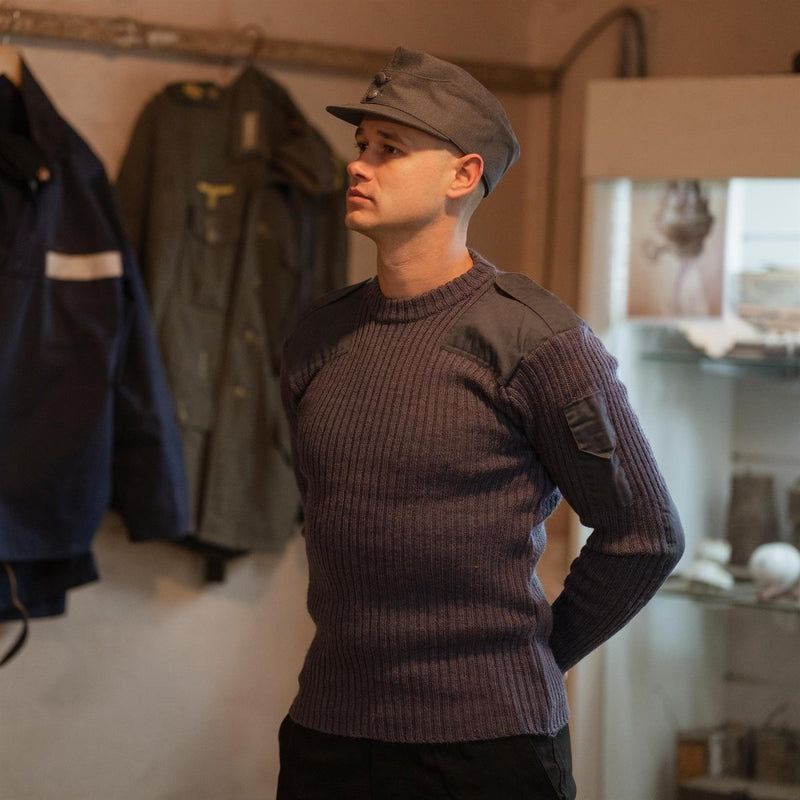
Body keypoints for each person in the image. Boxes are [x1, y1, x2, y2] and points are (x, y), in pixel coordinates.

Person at [277, 46, 684, 800]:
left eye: (389, 150)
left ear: (464, 175)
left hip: (487, 749)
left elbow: (645, 534)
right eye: (361, 146)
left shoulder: (538, 340)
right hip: (327, 735)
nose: (358, 166)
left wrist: (532, 657)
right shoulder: (318, 336)